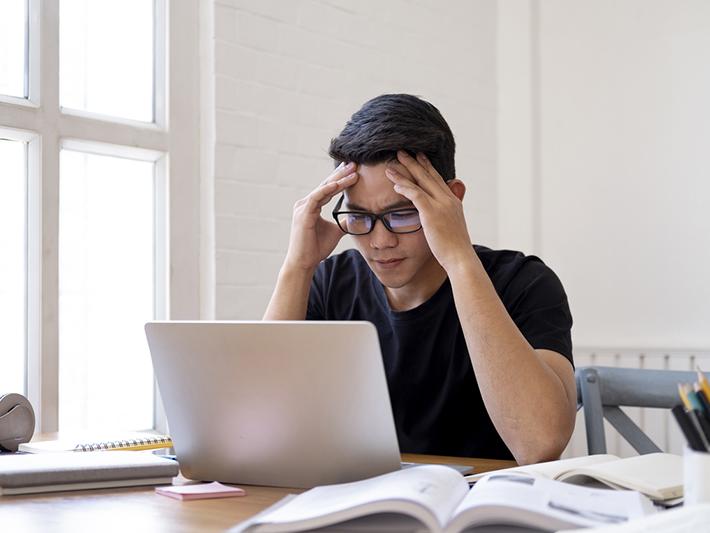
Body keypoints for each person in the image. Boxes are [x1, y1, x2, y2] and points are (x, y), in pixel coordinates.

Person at [264, 94, 576, 464]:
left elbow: (539, 443)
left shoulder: (524, 283)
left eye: (402, 214)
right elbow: (258, 425)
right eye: (359, 217)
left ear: (451, 199)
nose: (380, 241)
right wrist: (297, 266)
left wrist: (459, 259)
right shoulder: (330, 281)